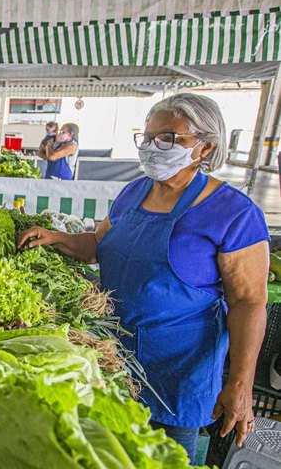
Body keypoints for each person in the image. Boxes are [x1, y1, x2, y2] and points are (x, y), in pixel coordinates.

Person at [18, 93, 268, 463]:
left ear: (206, 146)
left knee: (163, 459)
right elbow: (96, 246)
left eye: (167, 138)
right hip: (111, 361)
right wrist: (57, 238)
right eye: (147, 137)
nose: (153, 147)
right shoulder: (133, 193)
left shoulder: (234, 213)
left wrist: (241, 384)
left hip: (177, 374)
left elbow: (249, 301)